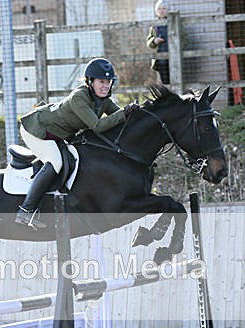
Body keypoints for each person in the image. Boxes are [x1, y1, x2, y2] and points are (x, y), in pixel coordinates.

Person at [14, 58, 139, 229]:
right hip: (37, 130)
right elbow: (98, 126)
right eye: (101, 82)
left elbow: (120, 117)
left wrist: (138, 113)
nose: (106, 86)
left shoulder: (103, 100)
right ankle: (26, 209)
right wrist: (125, 113)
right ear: (90, 82)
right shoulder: (79, 97)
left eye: (109, 82)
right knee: (56, 161)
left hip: (57, 134)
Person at [147, 0, 171, 84]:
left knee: (175, 81)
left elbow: (184, 39)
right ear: (156, 11)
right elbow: (149, 43)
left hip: (173, 58)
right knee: (165, 83)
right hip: (161, 60)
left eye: (164, 8)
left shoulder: (173, 22)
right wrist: (154, 41)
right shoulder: (154, 25)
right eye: (159, 9)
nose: (162, 11)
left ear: (168, 10)